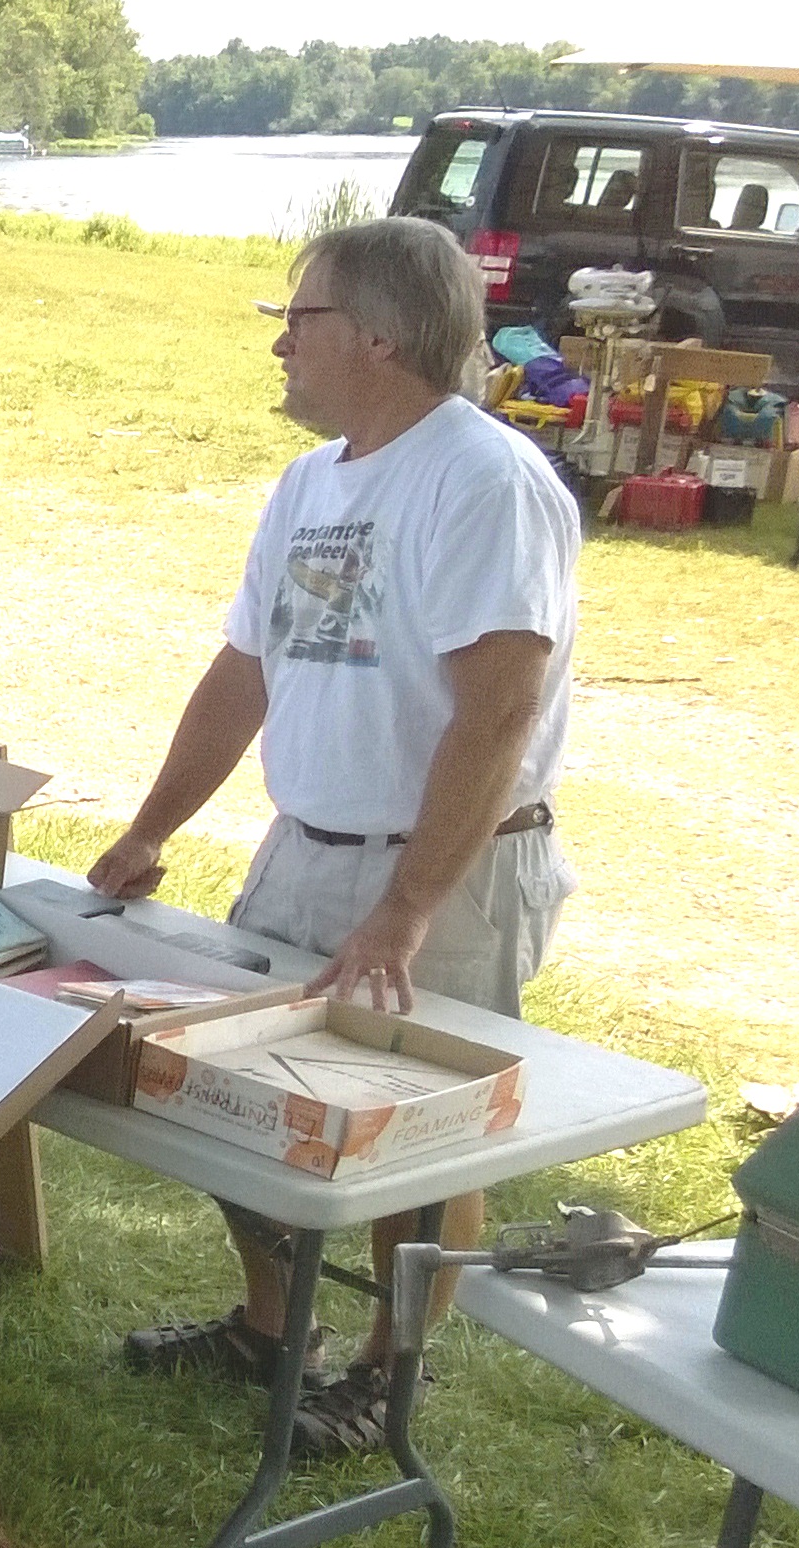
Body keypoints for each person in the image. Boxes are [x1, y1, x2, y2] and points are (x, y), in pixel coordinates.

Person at [88, 215, 580, 1458]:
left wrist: (406, 907)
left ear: (377, 336)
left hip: (445, 868)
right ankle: (272, 1328)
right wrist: (151, 826)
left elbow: (498, 709)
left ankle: (386, 1370)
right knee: (236, 1092)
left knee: (419, 1130)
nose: (279, 347)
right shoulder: (311, 482)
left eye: (295, 319)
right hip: (306, 846)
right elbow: (243, 670)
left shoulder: (484, 479)